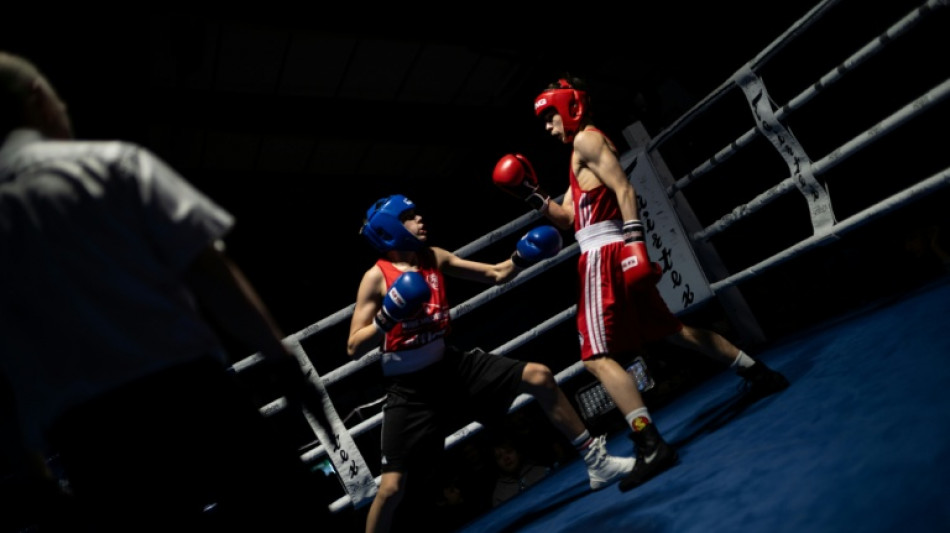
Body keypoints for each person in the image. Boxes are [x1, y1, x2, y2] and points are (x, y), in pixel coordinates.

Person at [0, 51, 337, 531]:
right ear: (39, 98)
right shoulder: (111, 163)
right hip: (189, 394)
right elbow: (209, 269)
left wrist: (32, 473)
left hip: (88, 438)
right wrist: (280, 361)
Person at [492, 74, 790, 493]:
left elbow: (625, 188)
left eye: (549, 117)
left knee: (595, 357)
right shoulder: (582, 150)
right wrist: (532, 193)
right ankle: (757, 372)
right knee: (672, 330)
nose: (547, 126)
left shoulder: (587, 141)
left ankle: (649, 444)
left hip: (603, 256)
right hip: (608, 248)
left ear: (568, 107)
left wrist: (635, 243)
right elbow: (570, 219)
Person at [347, 194, 636, 533]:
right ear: (390, 229)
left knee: (540, 376)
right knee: (392, 487)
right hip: (410, 392)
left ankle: (596, 462)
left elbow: (497, 274)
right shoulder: (376, 277)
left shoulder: (433, 257)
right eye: (410, 216)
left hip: (451, 367)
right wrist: (387, 315)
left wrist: (521, 256)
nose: (420, 219)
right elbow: (353, 345)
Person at [490, 435, 554, 508]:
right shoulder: (499, 494)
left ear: (518, 453)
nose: (506, 458)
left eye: (509, 451)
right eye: (499, 456)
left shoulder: (541, 471)